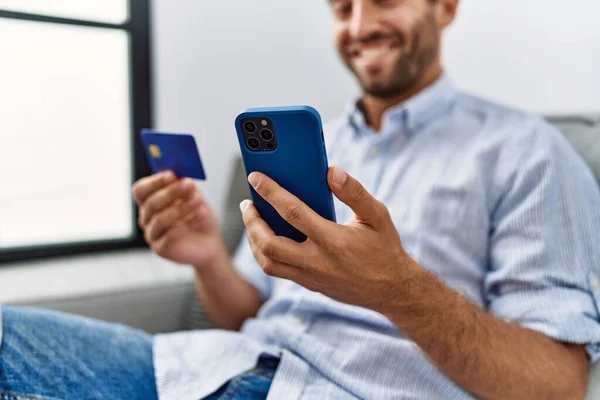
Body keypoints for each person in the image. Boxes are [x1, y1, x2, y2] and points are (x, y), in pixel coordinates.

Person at [1, 0, 599, 398]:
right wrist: (208, 255)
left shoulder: (529, 152)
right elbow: (246, 311)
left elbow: (560, 381)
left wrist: (397, 289)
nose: (360, 24)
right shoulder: (321, 143)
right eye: (342, 6)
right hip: (213, 367)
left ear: (445, 6)